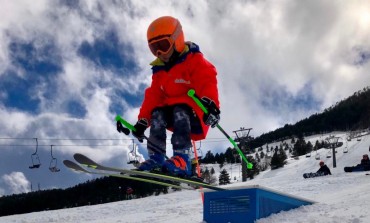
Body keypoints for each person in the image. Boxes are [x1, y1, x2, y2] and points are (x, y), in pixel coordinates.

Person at [127, 16, 220, 177]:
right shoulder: (159, 70)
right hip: (174, 116)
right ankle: (156, 157)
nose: (160, 53)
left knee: (180, 108)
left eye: (163, 45)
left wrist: (211, 105)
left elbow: (207, 79)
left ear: (177, 39)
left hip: (195, 114)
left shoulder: (193, 60)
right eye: (154, 48)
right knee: (157, 112)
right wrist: (143, 120)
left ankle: (182, 157)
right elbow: (153, 97)